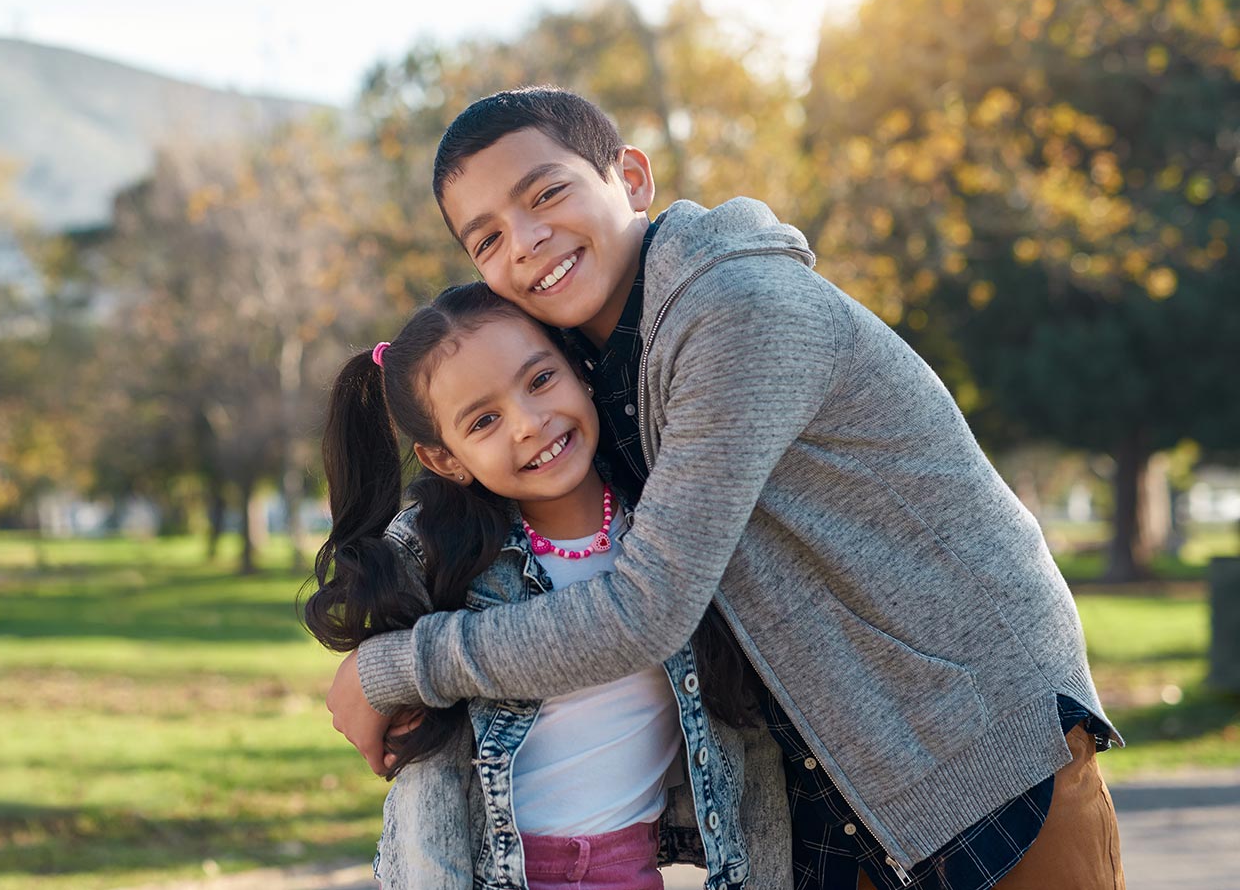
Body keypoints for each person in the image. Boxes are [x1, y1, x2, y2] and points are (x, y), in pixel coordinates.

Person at [327, 87, 1126, 890]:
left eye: (546, 193)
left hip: (976, 747)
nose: (527, 242)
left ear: (631, 178)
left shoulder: (737, 313)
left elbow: (649, 608)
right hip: (834, 781)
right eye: (488, 237)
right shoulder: (575, 364)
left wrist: (394, 668)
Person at [304, 281, 790, 889]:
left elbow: (749, 746)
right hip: (488, 873)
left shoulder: (672, 530)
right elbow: (420, 775)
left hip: (629, 871)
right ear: (445, 459)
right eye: (483, 421)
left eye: (539, 380)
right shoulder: (435, 558)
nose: (530, 424)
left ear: (576, 369)